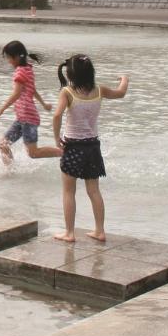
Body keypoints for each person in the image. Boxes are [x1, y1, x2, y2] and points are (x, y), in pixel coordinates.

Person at [50, 54, 129, 243]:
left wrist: (56, 139)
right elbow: (121, 93)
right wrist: (125, 79)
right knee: (94, 191)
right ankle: (100, 231)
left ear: (70, 74)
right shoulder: (99, 90)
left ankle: (69, 233)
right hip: (93, 146)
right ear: (90, 72)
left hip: (73, 146)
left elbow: (57, 116)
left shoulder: (68, 92)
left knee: (69, 191)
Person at [0, 40, 61, 164]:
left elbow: (16, 94)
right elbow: (32, 89)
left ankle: (65, 153)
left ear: (17, 57)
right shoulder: (27, 68)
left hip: (28, 119)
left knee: (33, 153)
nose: (8, 61)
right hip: (22, 118)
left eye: (9, 58)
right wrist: (44, 104)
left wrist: (0, 111)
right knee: (3, 144)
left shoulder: (20, 72)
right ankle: (10, 171)